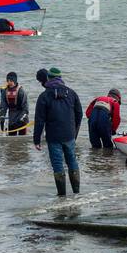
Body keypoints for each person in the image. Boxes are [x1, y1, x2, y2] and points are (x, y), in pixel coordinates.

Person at [32, 67, 83, 196]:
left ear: (48, 78)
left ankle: (62, 195)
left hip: (53, 136)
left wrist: (36, 140)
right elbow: (79, 114)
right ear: (60, 78)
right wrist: (74, 132)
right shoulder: (72, 93)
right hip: (69, 135)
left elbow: (39, 120)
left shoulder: (44, 96)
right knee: (72, 161)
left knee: (57, 164)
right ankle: (77, 192)